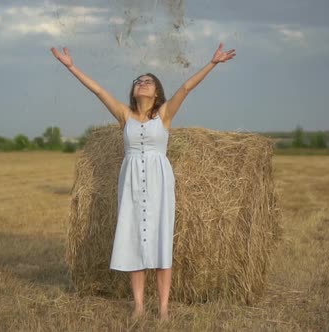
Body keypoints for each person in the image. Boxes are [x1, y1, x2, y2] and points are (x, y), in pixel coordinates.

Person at [51, 44, 236, 321]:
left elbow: (186, 88)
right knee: (133, 239)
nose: (142, 83)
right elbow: (98, 91)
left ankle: (163, 310)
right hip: (131, 184)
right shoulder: (124, 115)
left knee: (161, 241)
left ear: (157, 91)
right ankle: (138, 306)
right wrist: (70, 66)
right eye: (138, 81)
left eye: (148, 81)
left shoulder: (164, 115)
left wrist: (213, 63)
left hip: (159, 181)